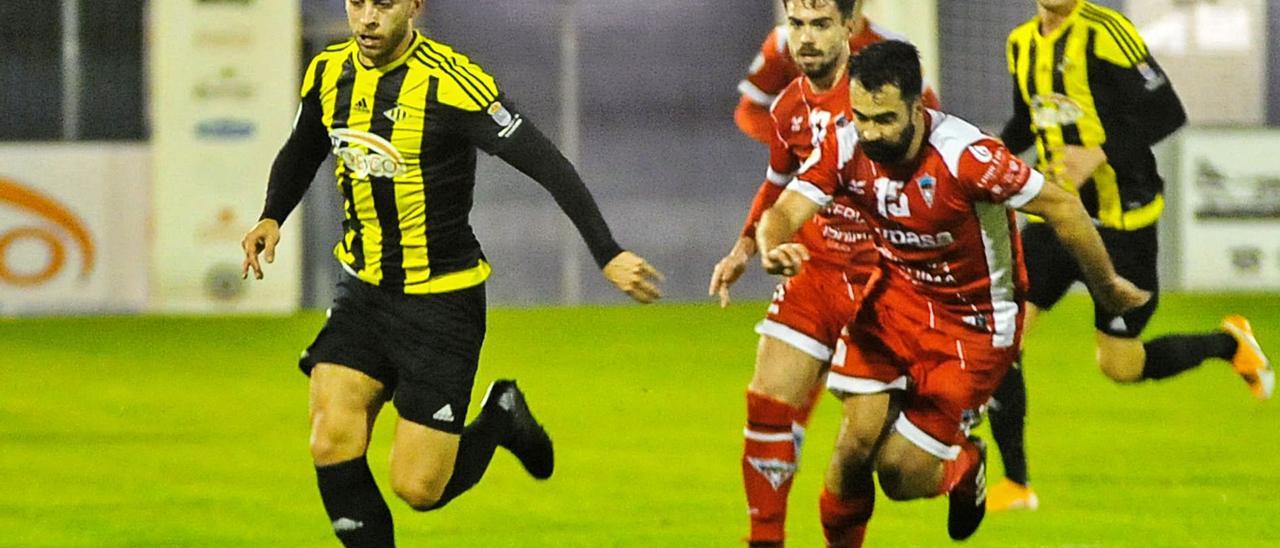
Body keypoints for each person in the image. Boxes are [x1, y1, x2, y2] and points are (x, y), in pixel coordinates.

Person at [239, 1, 664, 545]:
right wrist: (272, 213)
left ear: (414, 4)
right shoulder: (328, 70)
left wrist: (606, 251)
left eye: (384, 4)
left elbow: (548, 164)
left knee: (418, 487)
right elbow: (304, 146)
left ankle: (500, 418)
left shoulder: (452, 83)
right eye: (356, 3)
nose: (367, 18)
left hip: (441, 306)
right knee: (331, 440)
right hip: (363, 294)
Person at [757, 40, 1150, 544]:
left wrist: (1108, 287)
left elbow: (1064, 210)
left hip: (974, 328)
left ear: (918, 107)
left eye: (885, 119)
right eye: (861, 117)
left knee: (899, 476)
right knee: (854, 445)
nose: (871, 133)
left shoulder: (968, 156)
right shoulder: (846, 142)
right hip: (894, 305)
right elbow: (785, 211)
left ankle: (965, 466)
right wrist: (773, 246)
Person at [985, 0, 1274, 512]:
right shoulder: (1020, 44)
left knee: (1119, 365)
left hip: (1123, 225)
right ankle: (1016, 483)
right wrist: (988, 156)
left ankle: (1228, 344)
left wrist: (1096, 153)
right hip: (1057, 218)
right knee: (1000, 337)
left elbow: (1168, 112)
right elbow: (1028, 121)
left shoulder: (1107, 32)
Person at [708, 1, 914, 544]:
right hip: (816, 272)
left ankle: (960, 463)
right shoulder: (788, 106)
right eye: (796, 25)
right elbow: (777, 185)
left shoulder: (884, 96)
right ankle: (765, 540)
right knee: (767, 399)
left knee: (876, 455)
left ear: (850, 26)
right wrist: (744, 250)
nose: (806, 39)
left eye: (821, 24)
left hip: (883, 286)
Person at [733, 0, 940, 145]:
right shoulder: (785, 42)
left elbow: (929, 116)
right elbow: (749, 113)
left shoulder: (894, 46)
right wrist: (799, 143)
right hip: (807, 186)